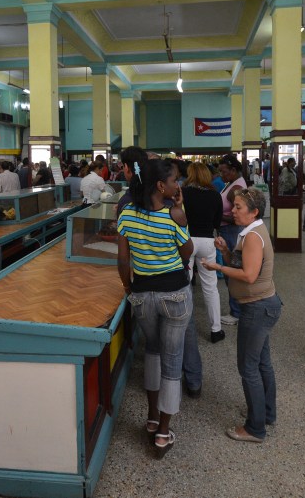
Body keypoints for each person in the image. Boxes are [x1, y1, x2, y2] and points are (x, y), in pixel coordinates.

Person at [116, 158, 193, 459]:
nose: (178, 185)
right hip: (174, 294)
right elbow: (187, 251)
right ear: (161, 186)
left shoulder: (127, 213)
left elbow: (123, 259)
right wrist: (181, 216)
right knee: (172, 361)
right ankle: (163, 432)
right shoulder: (173, 215)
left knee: (152, 351)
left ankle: (150, 417)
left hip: (142, 294)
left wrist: (128, 286)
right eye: (174, 181)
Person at [201, 188, 281, 444]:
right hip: (261, 306)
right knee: (261, 363)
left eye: (238, 207)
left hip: (257, 308)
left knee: (248, 367)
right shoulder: (250, 231)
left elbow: (248, 275)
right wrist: (226, 251)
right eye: (233, 206)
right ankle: (265, 413)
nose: (232, 211)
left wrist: (217, 266)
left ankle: (255, 428)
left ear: (254, 212)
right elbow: (242, 264)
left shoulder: (254, 237)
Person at [182, 162, 226, 343]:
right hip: (208, 242)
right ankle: (216, 329)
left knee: (184, 285)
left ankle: (183, 328)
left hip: (187, 242)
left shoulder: (183, 193)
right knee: (210, 287)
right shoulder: (215, 195)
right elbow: (217, 222)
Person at [217, 155, 248, 325]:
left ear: (233, 170)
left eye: (224, 171)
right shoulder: (232, 184)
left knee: (232, 272)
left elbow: (239, 217)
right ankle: (237, 310)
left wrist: (217, 216)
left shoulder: (236, 188)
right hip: (228, 231)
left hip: (231, 232)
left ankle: (236, 312)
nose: (221, 175)